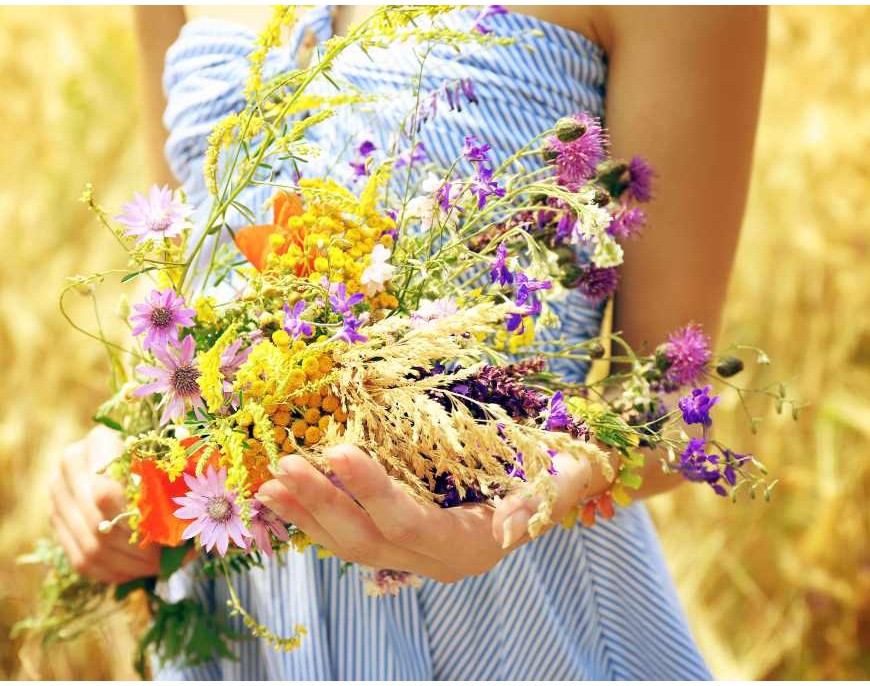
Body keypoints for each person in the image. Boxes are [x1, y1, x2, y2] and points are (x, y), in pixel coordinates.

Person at [50, 5, 767, 679]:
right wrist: (127, 458)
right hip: (235, 617)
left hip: (509, 624)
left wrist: (517, 504)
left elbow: (672, 394)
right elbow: (174, 285)